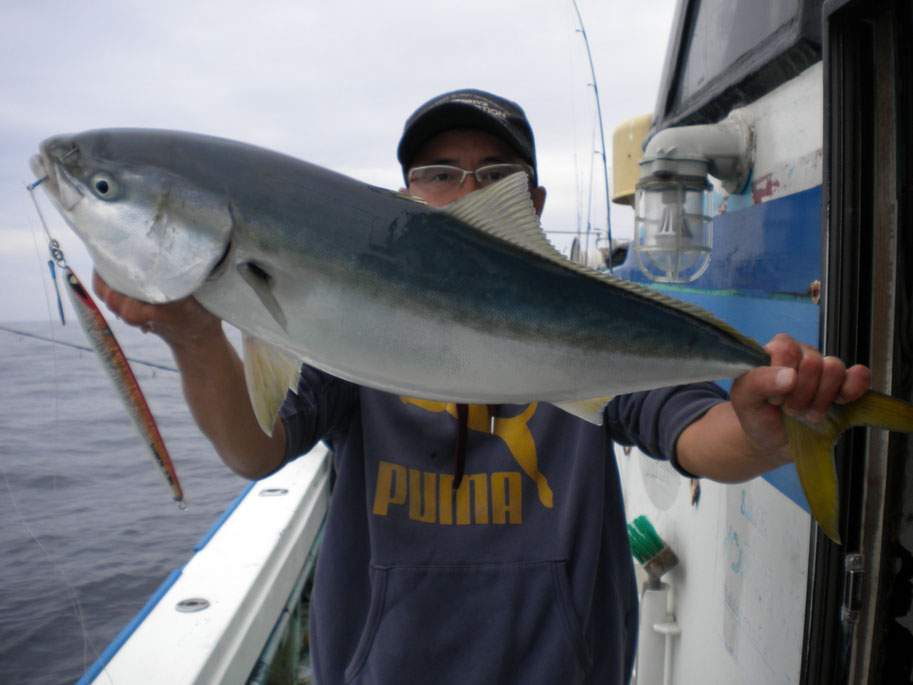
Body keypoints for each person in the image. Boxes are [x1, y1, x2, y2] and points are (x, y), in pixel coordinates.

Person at [94, 89, 871, 684]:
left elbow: (696, 432)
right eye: (436, 172)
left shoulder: (581, 321)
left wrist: (761, 430)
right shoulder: (338, 328)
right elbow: (255, 449)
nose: (464, 188)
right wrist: (196, 337)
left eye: (494, 175)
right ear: (403, 199)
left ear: (527, 206)